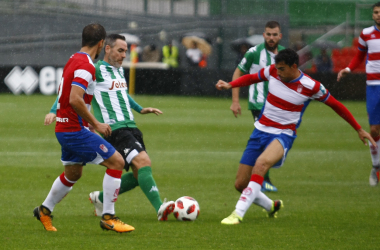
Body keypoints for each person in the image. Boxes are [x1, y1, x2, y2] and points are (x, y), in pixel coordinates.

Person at [216, 48, 376, 225]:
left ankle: (237, 214)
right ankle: (271, 206)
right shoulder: (273, 71)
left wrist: (358, 129)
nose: (278, 72)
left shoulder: (311, 86)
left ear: (294, 66)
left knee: (261, 165)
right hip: (260, 131)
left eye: (282, 69)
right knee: (240, 184)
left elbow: (336, 105)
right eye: (276, 68)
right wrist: (232, 84)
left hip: (283, 134)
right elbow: (253, 77)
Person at [44, 34, 175, 222]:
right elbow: (69, 92)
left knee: (140, 173)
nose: (124, 55)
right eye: (120, 51)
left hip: (131, 125)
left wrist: (140, 109)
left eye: (125, 52)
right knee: (143, 162)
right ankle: (160, 209)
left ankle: (101, 198)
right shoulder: (94, 69)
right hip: (114, 129)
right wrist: (53, 111)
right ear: (107, 49)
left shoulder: (119, 71)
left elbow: (122, 93)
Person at [34, 24, 135, 233]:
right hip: (73, 130)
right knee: (117, 162)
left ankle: (44, 210)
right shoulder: (87, 66)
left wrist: (89, 124)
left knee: (73, 173)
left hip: (66, 128)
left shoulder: (73, 59)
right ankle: (109, 217)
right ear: (101, 44)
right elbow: (74, 99)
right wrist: (96, 123)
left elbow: (72, 97)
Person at [230, 21, 285, 193]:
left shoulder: (284, 54)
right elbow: (238, 72)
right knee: (267, 141)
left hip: (278, 105)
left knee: (274, 140)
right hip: (259, 103)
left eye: (274, 34)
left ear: (280, 36)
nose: (271, 37)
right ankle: (262, 179)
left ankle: (259, 176)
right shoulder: (254, 53)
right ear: (263, 35)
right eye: (268, 34)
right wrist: (235, 100)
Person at [338, 2, 380, 187]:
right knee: (374, 130)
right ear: (372, 15)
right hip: (373, 86)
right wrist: (348, 68)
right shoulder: (366, 34)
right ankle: (376, 166)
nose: (378, 15)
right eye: (376, 12)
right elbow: (359, 56)